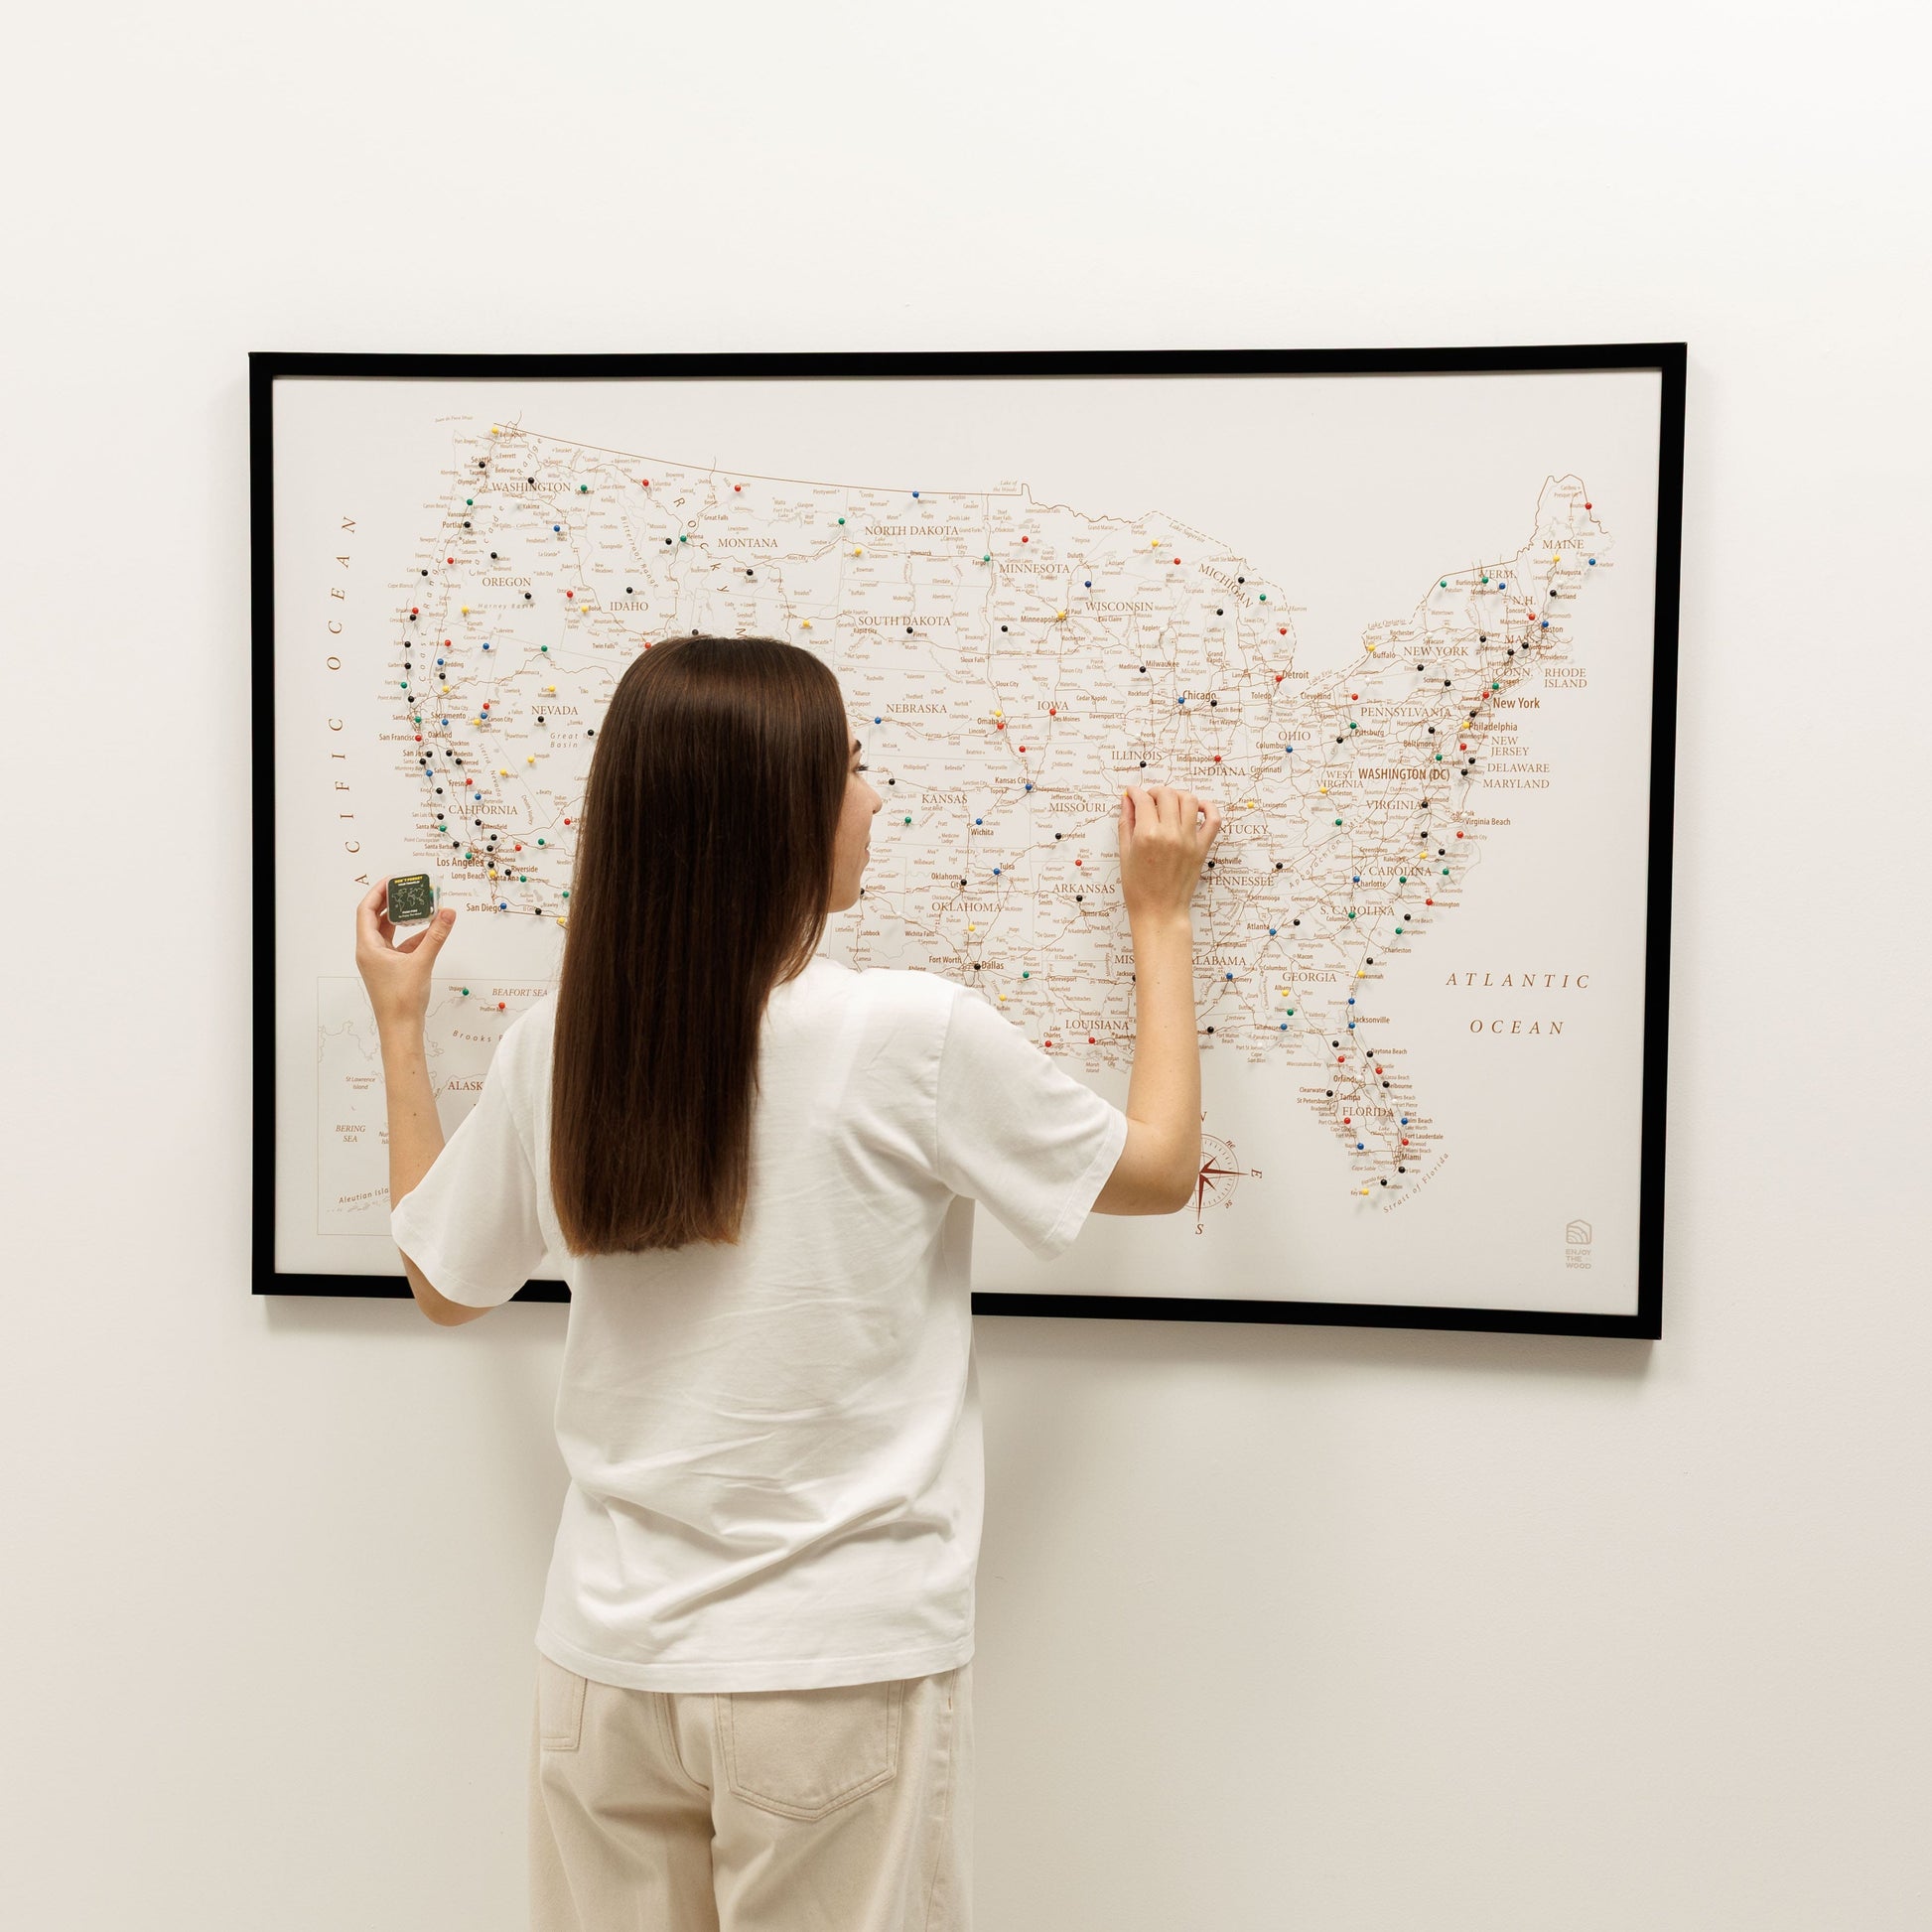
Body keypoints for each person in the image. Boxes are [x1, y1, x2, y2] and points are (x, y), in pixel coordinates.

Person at [353, 634, 1220, 1932]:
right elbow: (1154, 1169)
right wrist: (1159, 914)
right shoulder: (906, 1035)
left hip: (604, 1668)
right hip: (831, 1670)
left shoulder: (566, 1040)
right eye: (852, 769)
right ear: (780, 815)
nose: (873, 800)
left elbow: (440, 1275)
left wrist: (400, 1025)